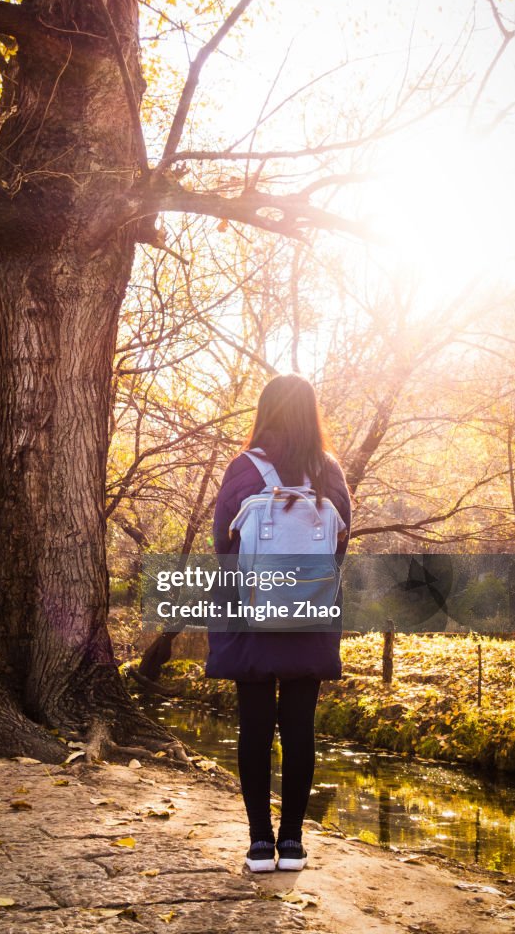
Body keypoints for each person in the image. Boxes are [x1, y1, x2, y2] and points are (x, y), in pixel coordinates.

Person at [205, 374, 351, 873]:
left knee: (254, 728)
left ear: (265, 412)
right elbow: (340, 544)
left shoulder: (243, 469)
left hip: (252, 614)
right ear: (312, 414)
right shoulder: (328, 470)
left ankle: (258, 845)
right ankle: (292, 844)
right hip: (309, 616)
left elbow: (224, 544)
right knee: (299, 730)